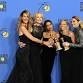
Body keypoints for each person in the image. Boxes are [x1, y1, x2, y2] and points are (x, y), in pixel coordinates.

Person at [7, 10, 50, 83]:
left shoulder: (31, 26)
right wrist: (44, 42)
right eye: (24, 16)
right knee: (24, 73)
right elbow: (31, 38)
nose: (26, 18)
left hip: (30, 52)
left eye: (27, 16)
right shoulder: (23, 26)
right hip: (24, 52)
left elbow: (25, 38)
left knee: (27, 72)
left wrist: (19, 41)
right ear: (21, 17)